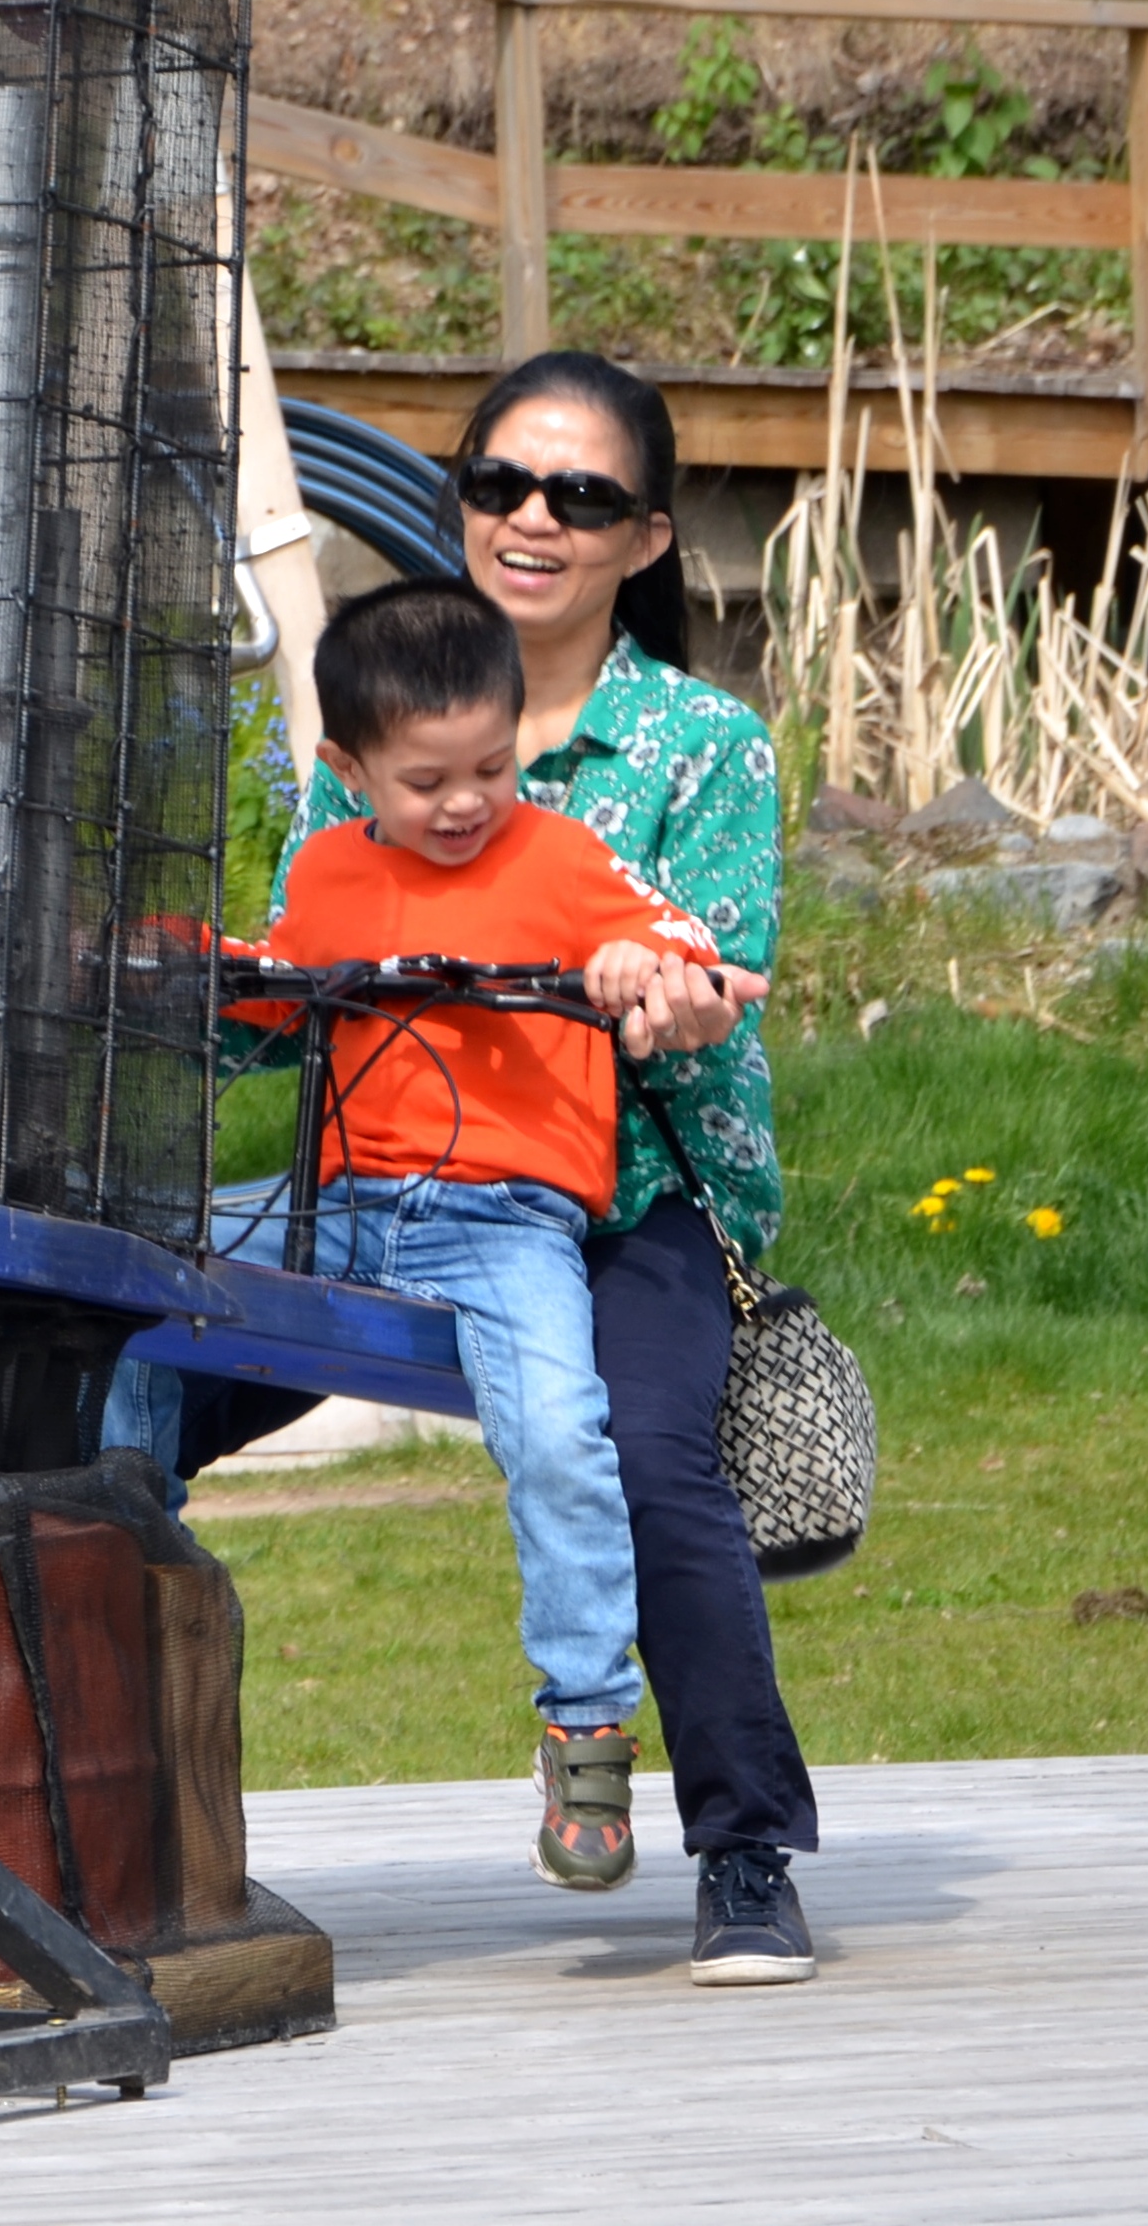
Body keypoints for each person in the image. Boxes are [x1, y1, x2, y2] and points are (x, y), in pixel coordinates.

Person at [159, 349, 820, 1985]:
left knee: (640, 1454)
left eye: (579, 497)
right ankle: (103, 1801)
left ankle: (740, 1848)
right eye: (499, 484)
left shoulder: (696, 748)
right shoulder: (369, 725)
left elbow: (713, 982)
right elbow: (308, 989)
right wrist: (188, 994)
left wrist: (657, 991)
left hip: (626, 1194)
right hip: (385, 1184)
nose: (531, 517)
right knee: (112, 1362)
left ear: (644, 540)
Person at [210, 578, 747, 1903]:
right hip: (335, 1203)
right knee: (132, 1282)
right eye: (426, 780)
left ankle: (585, 1727)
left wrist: (641, 966)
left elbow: (685, 944)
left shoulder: (560, 861)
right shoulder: (327, 869)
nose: (464, 803)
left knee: (563, 1434)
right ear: (348, 772)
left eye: (492, 769)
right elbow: (279, 993)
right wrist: (198, 966)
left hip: (501, 1219)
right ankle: (119, 1532)